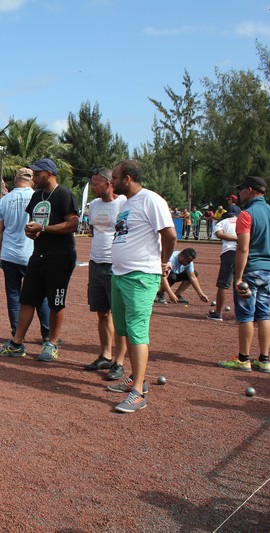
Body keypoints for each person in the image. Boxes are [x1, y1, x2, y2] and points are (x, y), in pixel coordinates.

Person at [0, 158, 79, 361]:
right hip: (37, 254)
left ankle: (51, 344)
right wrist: (31, 232)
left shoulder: (64, 194)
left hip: (61, 256)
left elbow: (73, 224)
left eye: (37, 174)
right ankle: (17, 344)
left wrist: (44, 229)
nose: (34, 177)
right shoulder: (37, 196)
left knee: (56, 301)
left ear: (49, 173)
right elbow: (34, 223)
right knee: (27, 299)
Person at [106, 159, 176, 413]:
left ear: (127, 178)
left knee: (137, 331)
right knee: (123, 328)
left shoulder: (151, 200)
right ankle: (139, 380)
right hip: (120, 275)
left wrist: (164, 261)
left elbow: (169, 234)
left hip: (140, 276)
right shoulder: (127, 203)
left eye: (114, 178)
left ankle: (137, 393)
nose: (111, 182)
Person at [217, 176, 270, 373]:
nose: (240, 193)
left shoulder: (247, 215)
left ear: (251, 190)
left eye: (242, 189)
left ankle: (243, 358)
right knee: (264, 314)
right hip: (268, 270)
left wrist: (238, 277)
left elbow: (243, 248)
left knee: (246, 315)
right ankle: (264, 359)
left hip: (251, 270)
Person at [0, 168, 52, 357]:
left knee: (14, 296)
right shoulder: (40, 197)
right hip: (34, 253)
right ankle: (48, 336)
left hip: (10, 254)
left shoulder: (4, 200)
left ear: (15, 180)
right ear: (32, 180)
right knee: (41, 296)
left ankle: (17, 338)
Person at [83, 168, 128, 381]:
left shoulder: (123, 203)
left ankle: (119, 362)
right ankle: (106, 355)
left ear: (109, 183)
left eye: (96, 184)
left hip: (115, 265)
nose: (92, 187)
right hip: (95, 262)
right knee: (102, 313)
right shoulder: (94, 205)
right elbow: (95, 231)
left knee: (119, 315)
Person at [207, 211, 238, 321]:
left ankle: (218, 313)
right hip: (245, 252)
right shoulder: (243, 220)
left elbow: (219, 234)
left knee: (223, 284)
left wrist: (235, 238)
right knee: (241, 283)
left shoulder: (223, 222)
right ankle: (242, 314)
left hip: (229, 252)